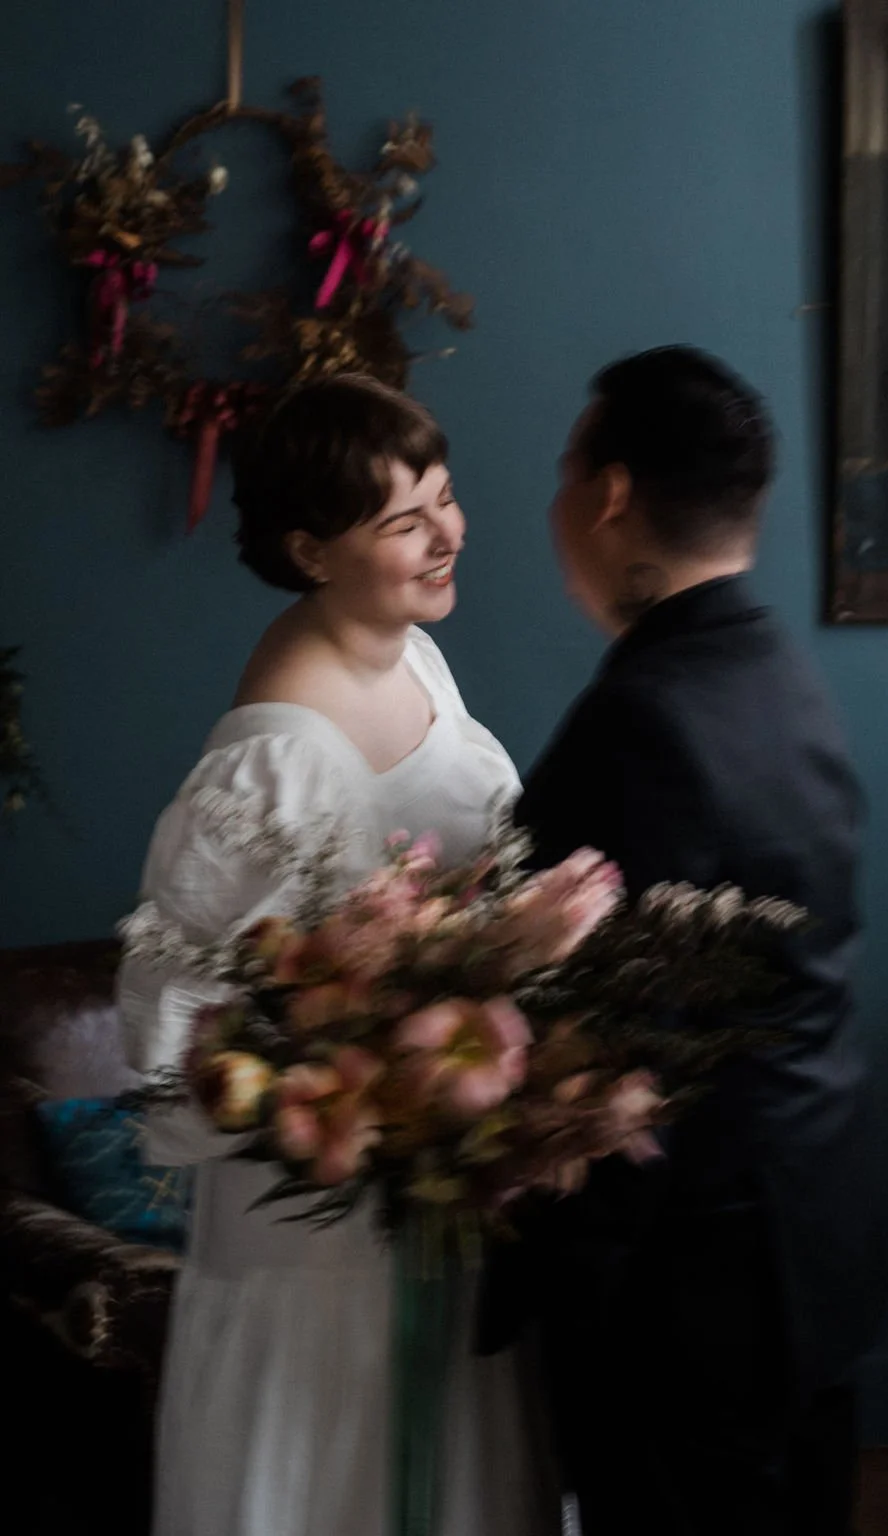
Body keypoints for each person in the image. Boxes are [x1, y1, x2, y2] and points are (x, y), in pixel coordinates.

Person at [117, 377, 560, 1536]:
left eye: (445, 497)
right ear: (310, 551)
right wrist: (360, 1095)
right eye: (404, 521)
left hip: (435, 1201)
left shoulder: (416, 658)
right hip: (321, 1246)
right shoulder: (274, 760)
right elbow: (172, 1033)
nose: (447, 534)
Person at [479, 347, 888, 1535]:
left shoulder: (643, 716)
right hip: (817, 1224)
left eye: (565, 473)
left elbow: (614, 1044)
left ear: (609, 493)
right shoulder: (782, 678)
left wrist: (559, 1273)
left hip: (699, 1291)